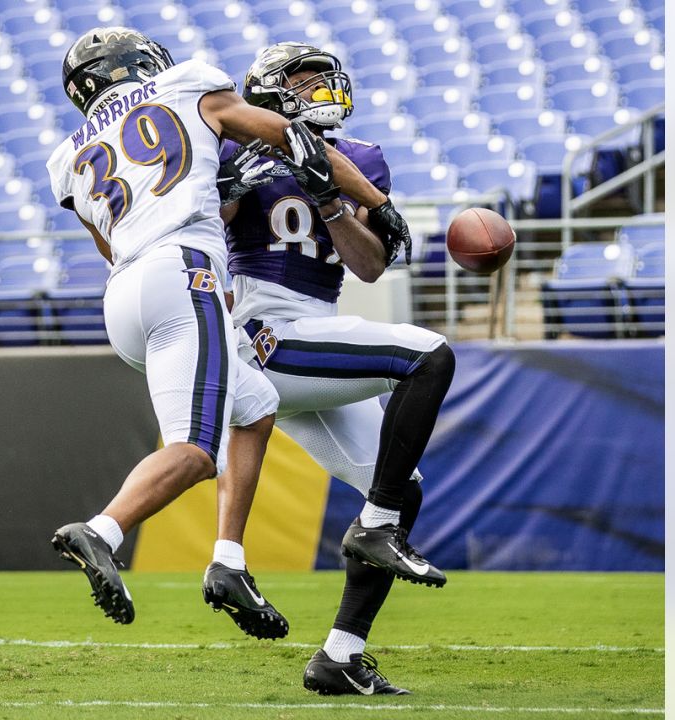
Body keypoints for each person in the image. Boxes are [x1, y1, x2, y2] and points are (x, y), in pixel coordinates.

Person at [45, 28, 417, 637]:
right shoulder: (184, 81)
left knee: (257, 406)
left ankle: (228, 562)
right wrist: (374, 202)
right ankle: (101, 530)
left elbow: (107, 243)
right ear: (142, 62)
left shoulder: (67, 155)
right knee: (194, 451)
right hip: (180, 272)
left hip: (123, 299)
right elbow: (296, 139)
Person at [215, 42, 457, 695]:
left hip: (315, 324)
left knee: (399, 490)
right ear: (272, 93)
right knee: (430, 357)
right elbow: (216, 231)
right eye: (305, 81)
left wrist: (329, 201)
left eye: (325, 80)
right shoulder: (234, 149)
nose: (321, 89)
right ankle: (367, 535)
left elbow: (370, 265)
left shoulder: (362, 158)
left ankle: (339, 658)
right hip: (264, 330)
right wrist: (229, 182)